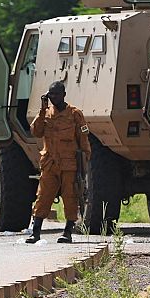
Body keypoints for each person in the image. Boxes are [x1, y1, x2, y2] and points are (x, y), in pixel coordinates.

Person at [26, 81, 92, 244]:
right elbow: (36, 131)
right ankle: (35, 232)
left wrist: (84, 163)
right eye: (51, 94)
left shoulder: (75, 114)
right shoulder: (46, 114)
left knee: (70, 197)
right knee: (43, 196)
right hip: (50, 164)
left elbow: (83, 141)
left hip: (69, 164)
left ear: (64, 95)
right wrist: (42, 109)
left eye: (56, 94)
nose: (53, 97)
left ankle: (68, 231)